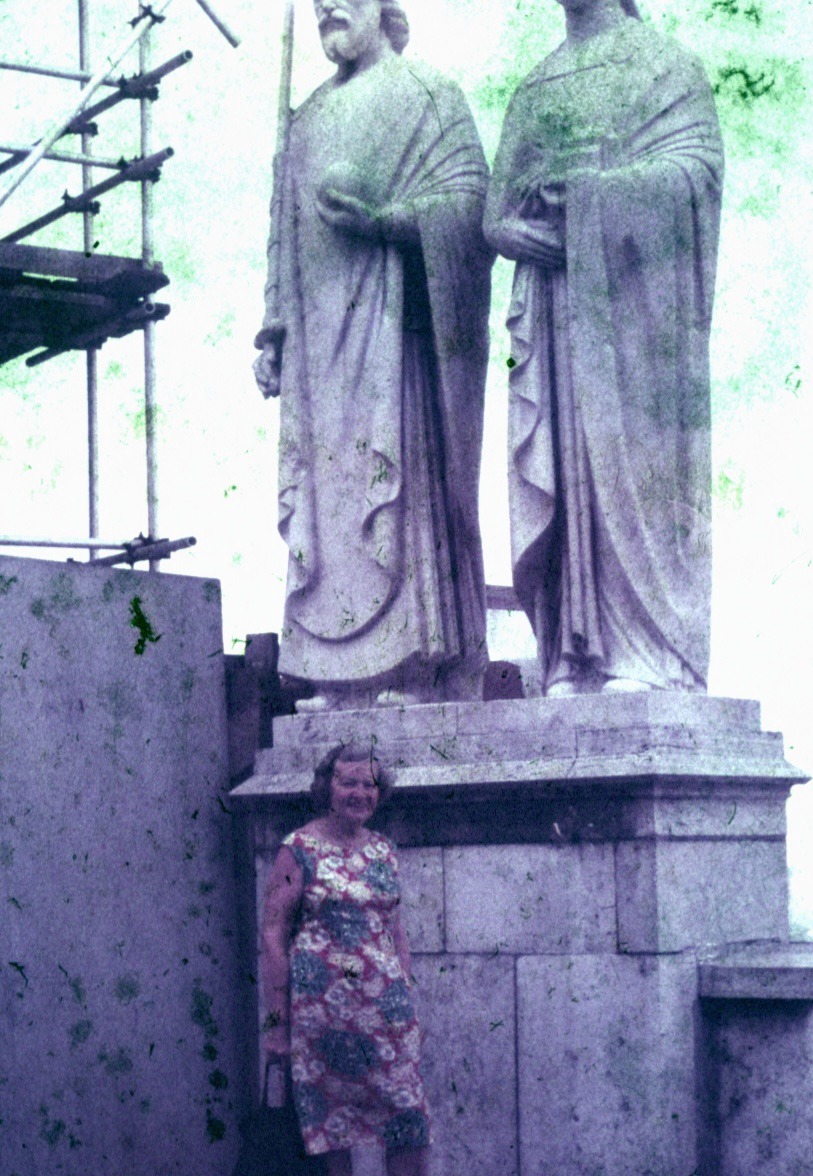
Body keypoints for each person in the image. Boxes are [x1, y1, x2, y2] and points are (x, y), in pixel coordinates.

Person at [254, 0, 492, 707]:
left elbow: (469, 209)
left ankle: (413, 667)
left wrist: (390, 224)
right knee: (328, 501)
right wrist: (272, 328)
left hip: (395, 340)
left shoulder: (428, 98)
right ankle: (338, 673)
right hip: (315, 355)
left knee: (395, 489)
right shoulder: (303, 122)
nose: (328, 5)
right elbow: (283, 236)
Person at [483, 0, 724, 697]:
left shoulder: (666, 66)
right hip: (556, 310)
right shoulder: (537, 85)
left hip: (637, 324)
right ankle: (573, 654)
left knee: (633, 475)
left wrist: (590, 196)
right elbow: (495, 216)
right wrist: (529, 231)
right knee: (565, 467)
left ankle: (647, 656)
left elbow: (695, 177)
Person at [259, 743, 464, 1176]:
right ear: (327, 785)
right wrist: (276, 1026)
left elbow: (392, 925)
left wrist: (404, 985)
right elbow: (273, 931)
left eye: (369, 785)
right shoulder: (297, 849)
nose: (359, 793)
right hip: (320, 1013)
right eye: (349, 783)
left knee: (408, 1118)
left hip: (386, 1012)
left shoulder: (382, 850)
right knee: (333, 1127)